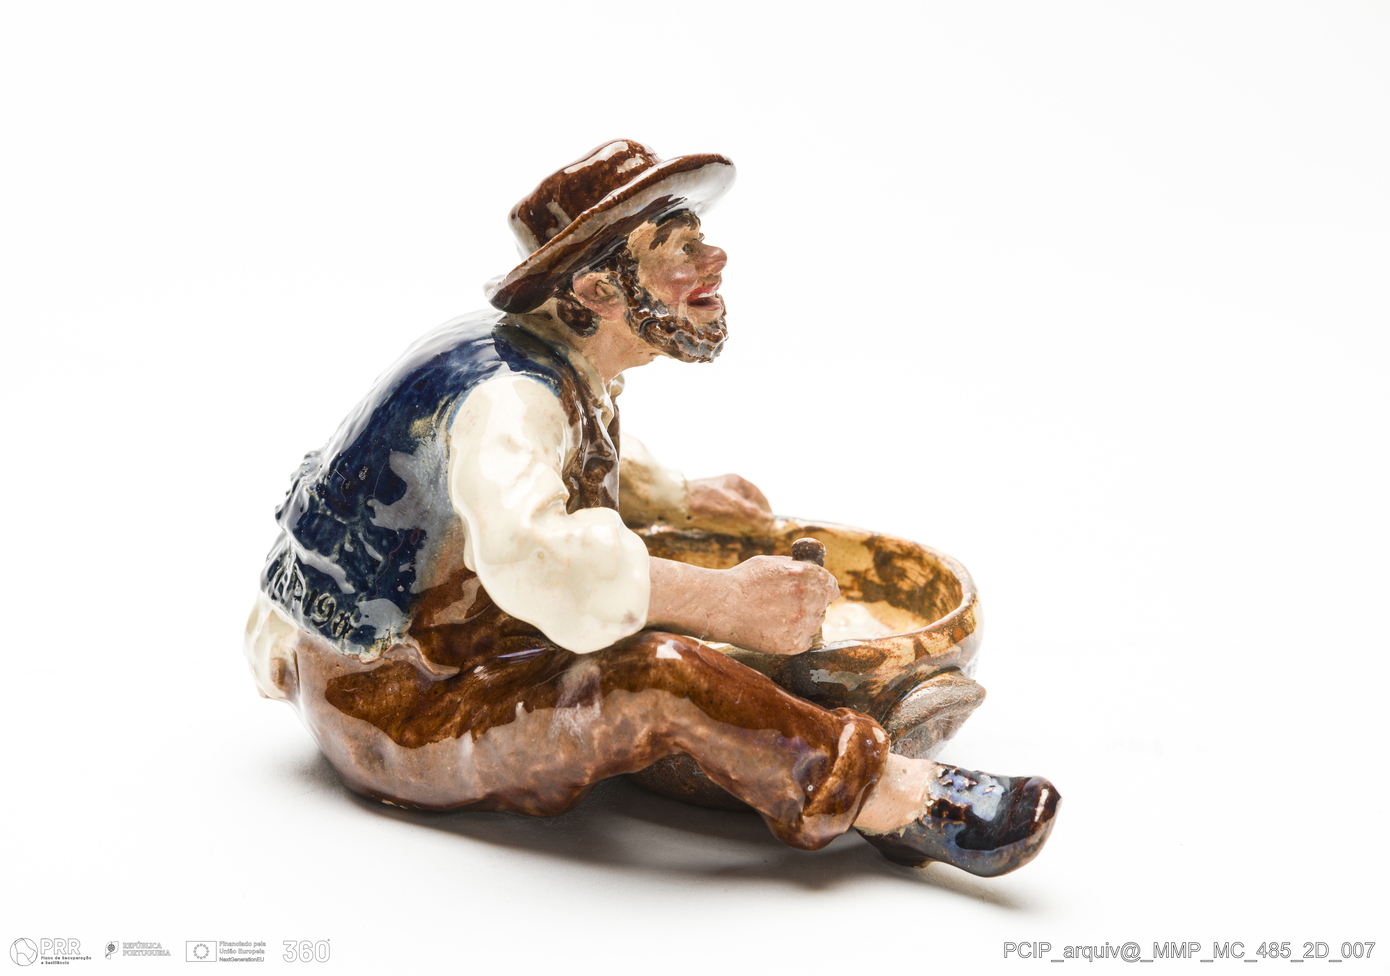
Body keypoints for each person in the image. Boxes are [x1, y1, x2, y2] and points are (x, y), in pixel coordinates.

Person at [245, 140, 1059, 876]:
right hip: (406, 708)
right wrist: (726, 603)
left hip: (395, 666)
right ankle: (899, 799)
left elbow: (558, 462)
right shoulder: (511, 398)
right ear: (599, 288)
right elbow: (534, 555)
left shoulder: (533, 357)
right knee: (661, 675)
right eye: (679, 248)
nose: (715, 258)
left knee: (652, 590)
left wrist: (676, 495)